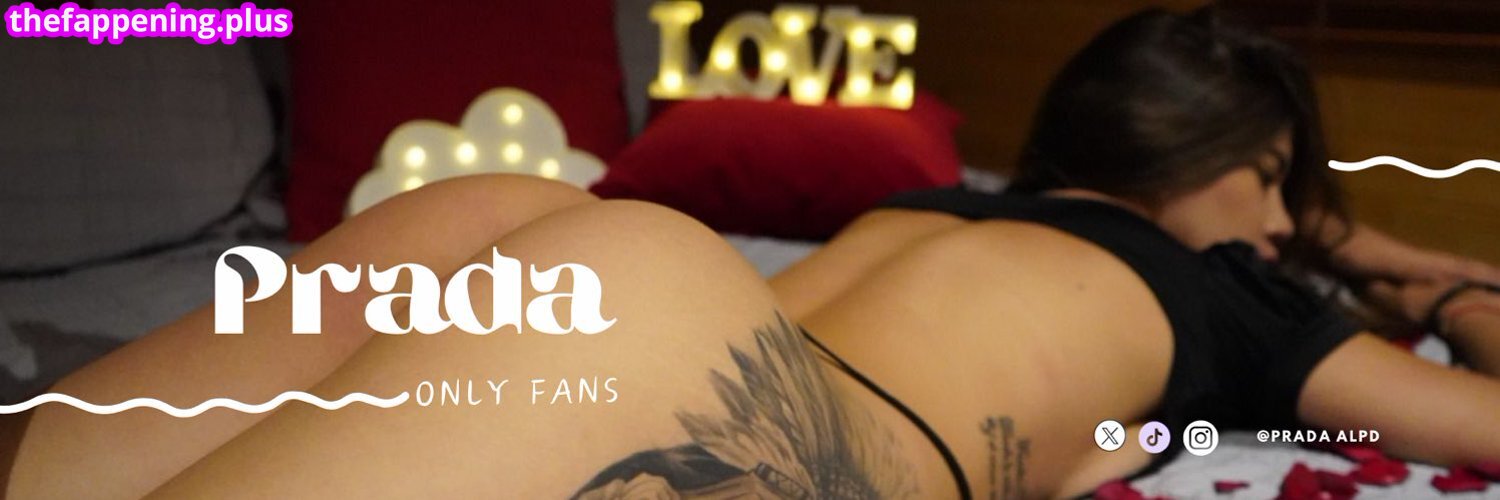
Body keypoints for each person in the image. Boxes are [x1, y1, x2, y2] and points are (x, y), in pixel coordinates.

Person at [5, 7, 1500, 499]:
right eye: (1276, 183)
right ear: (1215, 155)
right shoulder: (1235, 292)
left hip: (539, 245)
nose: (1281, 224)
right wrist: (1399, 264)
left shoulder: (937, 208)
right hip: (740, 404)